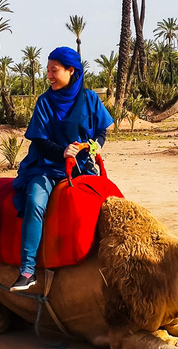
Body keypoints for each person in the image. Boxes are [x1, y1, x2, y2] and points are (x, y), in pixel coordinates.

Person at [9, 47, 113, 292]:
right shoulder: (45, 102)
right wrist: (62, 152)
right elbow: (40, 141)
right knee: (35, 201)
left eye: (54, 70)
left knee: (104, 203)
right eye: (48, 71)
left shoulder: (90, 99)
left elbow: (101, 130)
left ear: (71, 70)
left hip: (81, 168)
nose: (49, 76)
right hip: (45, 167)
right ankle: (28, 269)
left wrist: (96, 144)